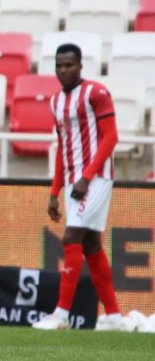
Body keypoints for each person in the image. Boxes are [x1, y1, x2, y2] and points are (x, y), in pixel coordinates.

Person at [33, 43, 125, 332]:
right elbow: (63, 148)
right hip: (75, 180)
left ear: (80, 66)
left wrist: (87, 177)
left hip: (97, 177)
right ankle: (113, 316)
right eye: (59, 65)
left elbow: (111, 138)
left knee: (71, 237)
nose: (63, 70)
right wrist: (54, 191)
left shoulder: (96, 93)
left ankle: (60, 315)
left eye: (69, 65)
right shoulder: (55, 102)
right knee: (90, 244)